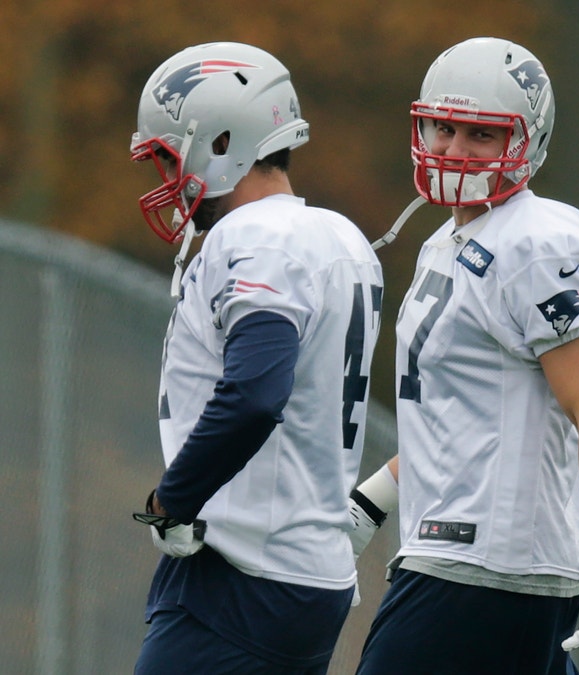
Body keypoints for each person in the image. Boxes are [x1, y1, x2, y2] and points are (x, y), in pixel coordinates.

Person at [348, 37, 579, 675]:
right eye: (443, 127)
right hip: (456, 558)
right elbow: (461, 415)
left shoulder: (539, 241)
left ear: (527, 142)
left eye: (481, 134)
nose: (454, 149)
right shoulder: (446, 241)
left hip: (489, 568)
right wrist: (368, 503)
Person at [128, 42, 385, 674]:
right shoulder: (341, 237)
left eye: (172, 158)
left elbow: (255, 393)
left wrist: (173, 499)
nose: (168, 180)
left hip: (244, 571)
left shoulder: (255, 237)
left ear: (221, 143)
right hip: (310, 570)